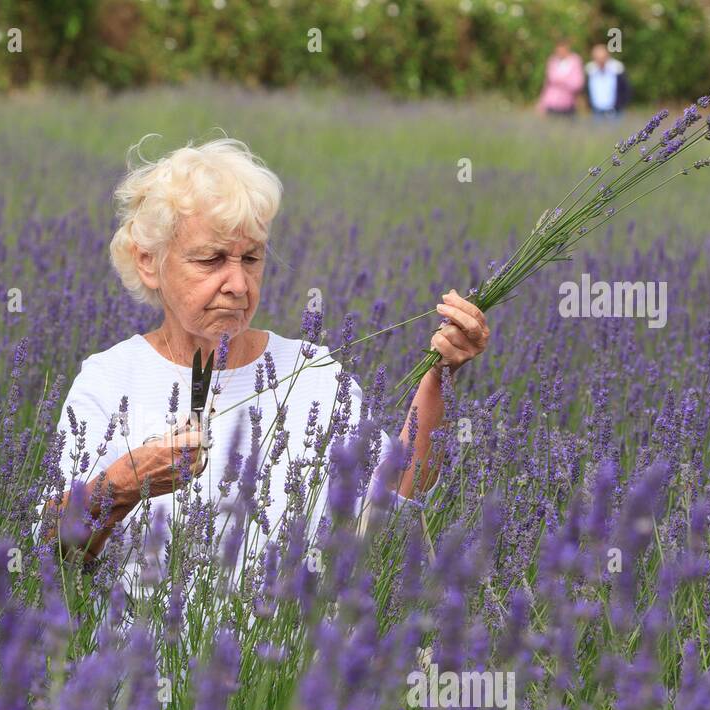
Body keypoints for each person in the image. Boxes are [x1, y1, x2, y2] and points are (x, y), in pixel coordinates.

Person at [35, 137, 490, 609]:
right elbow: (52, 553)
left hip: (285, 671)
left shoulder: (313, 374)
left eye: (250, 259)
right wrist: (121, 485)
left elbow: (387, 513)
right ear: (149, 262)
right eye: (211, 259)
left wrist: (441, 376)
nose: (237, 284)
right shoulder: (111, 379)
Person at [536, 40, 584, 118]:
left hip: (568, 104)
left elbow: (578, 84)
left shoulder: (575, 61)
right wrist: (542, 103)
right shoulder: (552, 61)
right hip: (552, 104)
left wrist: (562, 81)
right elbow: (547, 84)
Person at [585, 43, 629, 121]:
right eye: (597, 58)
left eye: (602, 57)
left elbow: (625, 90)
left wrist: (620, 104)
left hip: (615, 111)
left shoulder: (617, 69)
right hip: (596, 111)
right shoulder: (590, 70)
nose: (600, 60)